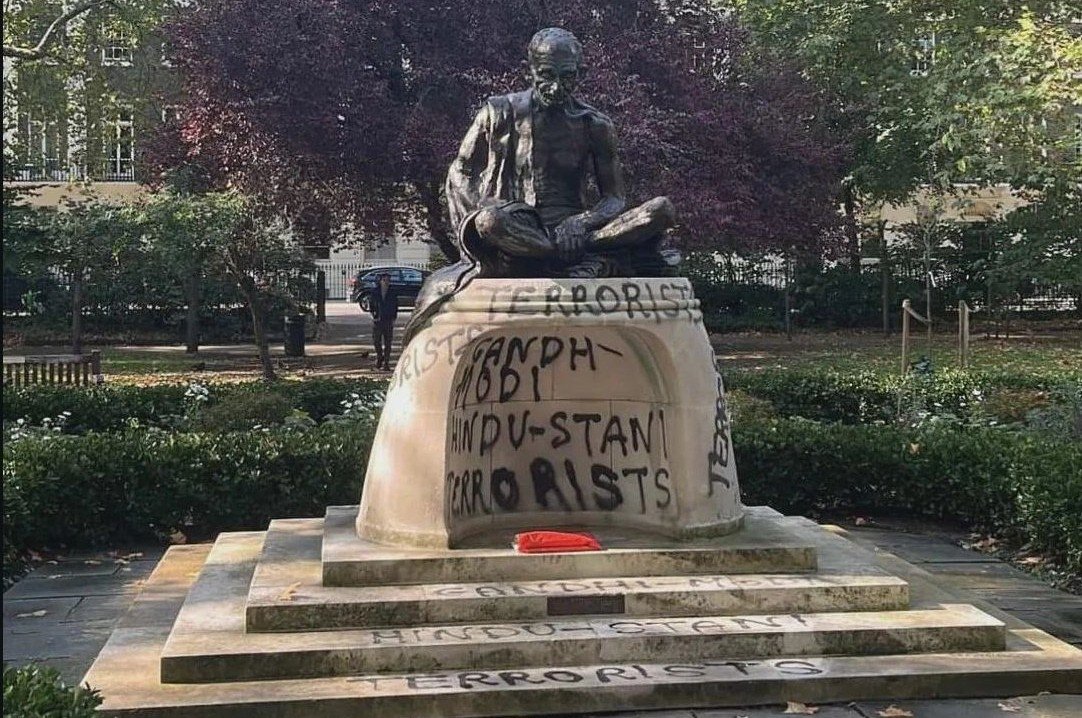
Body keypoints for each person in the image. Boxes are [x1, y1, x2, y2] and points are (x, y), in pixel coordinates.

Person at [404, 27, 679, 343]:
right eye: (546, 75)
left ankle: (553, 254)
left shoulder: (595, 125)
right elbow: (461, 171)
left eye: (567, 76)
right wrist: (479, 215)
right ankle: (554, 254)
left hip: (580, 232)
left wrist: (580, 223)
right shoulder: (498, 112)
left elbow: (614, 198)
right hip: (519, 223)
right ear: (530, 70)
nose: (556, 86)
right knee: (491, 221)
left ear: (581, 73)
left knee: (661, 210)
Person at [368, 272, 398, 370]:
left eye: (388, 280)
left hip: (388, 319)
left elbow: (395, 305)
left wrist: (394, 317)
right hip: (378, 319)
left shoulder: (392, 292)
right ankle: (379, 357)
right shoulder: (375, 291)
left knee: (388, 342)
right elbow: (371, 304)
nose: (386, 282)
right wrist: (373, 314)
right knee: (376, 341)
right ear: (380, 281)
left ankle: (386, 362)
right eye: (384, 280)